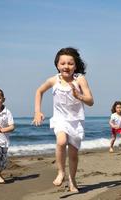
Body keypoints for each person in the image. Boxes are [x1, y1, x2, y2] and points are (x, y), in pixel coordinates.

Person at [33, 47, 94, 192]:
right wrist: (37, 111)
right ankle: (60, 172)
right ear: (57, 65)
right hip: (60, 119)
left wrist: (79, 96)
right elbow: (39, 91)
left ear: (76, 65)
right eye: (63, 63)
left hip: (76, 121)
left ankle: (72, 181)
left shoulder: (80, 79)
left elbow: (90, 101)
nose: (66, 66)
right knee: (61, 141)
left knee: (73, 155)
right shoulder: (54, 80)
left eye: (70, 63)